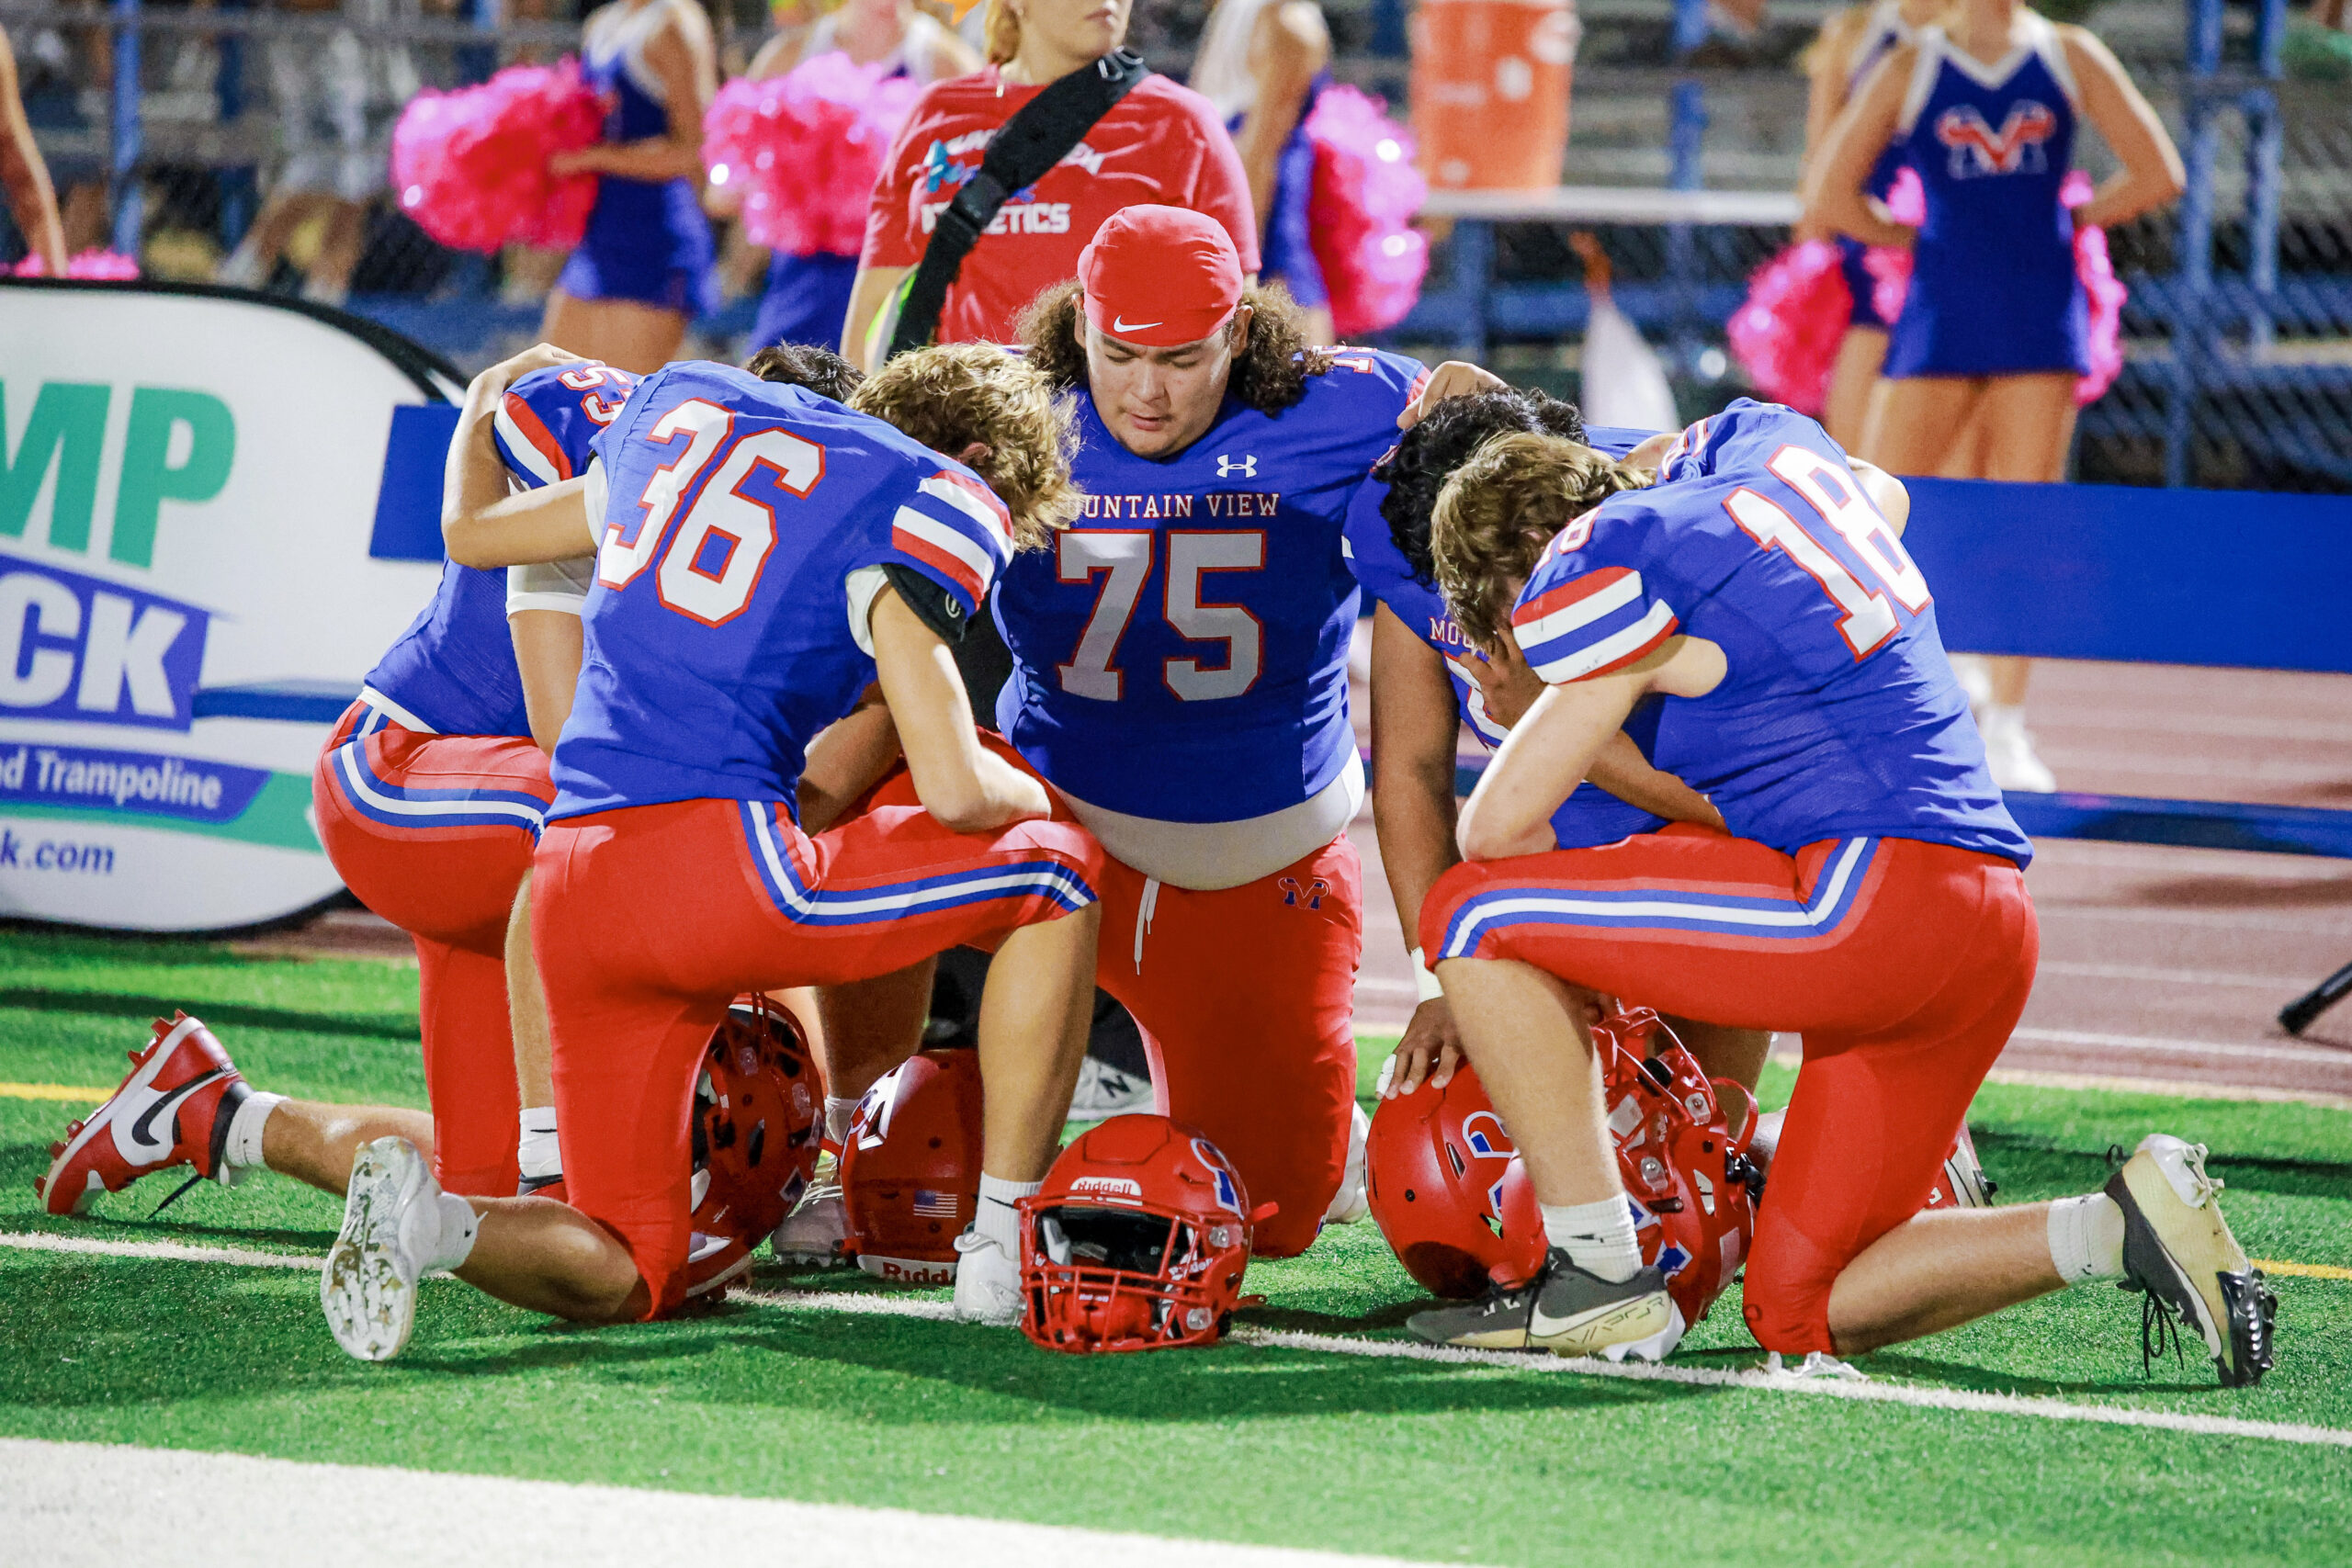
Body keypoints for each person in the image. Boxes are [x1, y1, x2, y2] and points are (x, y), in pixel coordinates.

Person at [1404, 400, 2275, 1390]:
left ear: (1535, 550)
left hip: (1869, 901)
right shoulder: (1766, 470)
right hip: (1985, 918)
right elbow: (1880, 494)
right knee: (1799, 1310)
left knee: (1469, 912)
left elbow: (1491, 834)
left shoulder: (1620, 569)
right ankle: (2114, 1224)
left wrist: (1537, 715)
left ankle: (1598, 1277)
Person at [315, 341, 1104, 1361]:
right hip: (717, 871)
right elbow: (954, 790)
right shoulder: (921, 494)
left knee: (631, 1265)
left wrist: (478, 397)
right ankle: (1002, 1249)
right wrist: (1030, 790)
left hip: (574, 884)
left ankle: (438, 1223)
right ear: (981, 458)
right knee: (1058, 870)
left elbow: (471, 534)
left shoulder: (680, 414)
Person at [972, 204, 1493, 1256]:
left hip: (1252, 856)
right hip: (1041, 826)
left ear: (1241, 337)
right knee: (859, 822)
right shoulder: (1003, 405)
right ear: (1079, 323)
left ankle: (1308, 1127)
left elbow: (1499, 433)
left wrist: (1478, 406)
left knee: (1271, 1215)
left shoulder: (1350, 409)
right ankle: (850, 1123)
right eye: (1120, 354)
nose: (1146, 390)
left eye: (1179, 358)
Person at [1342, 389, 1771, 1105]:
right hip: (1549, 863)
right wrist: (1445, 977)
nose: (1485, 618)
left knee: (1695, 1150)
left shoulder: (1677, 522)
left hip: (1716, 868)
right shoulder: (1405, 528)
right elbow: (1411, 771)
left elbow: (1750, 818)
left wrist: (1553, 720)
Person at [1804, 0, 2183, 792]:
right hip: (1941, 315)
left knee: (2025, 518)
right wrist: (1919, 238)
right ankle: (1870, 714)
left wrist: (2071, 217)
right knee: (1870, 515)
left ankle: (2005, 730)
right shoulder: (1914, 64)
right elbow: (1830, 194)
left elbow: (2160, 173)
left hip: (2038, 321)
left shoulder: (2069, 55)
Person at [843, 0, 1258, 366]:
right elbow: (871, 307)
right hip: (957, 425)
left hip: (1101, 432)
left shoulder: (1180, 122)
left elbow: (1233, 311)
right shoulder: (936, 111)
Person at [740, 0, 979, 355]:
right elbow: (729, 185)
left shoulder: (946, 64)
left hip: (902, 278)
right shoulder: (791, 55)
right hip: (803, 278)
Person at [541, 0, 719, 373]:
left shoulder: (672, 24)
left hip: (654, 241)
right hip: (599, 235)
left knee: (619, 403)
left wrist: (593, 158)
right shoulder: (605, 21)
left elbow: (695, 149)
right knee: (547, 389)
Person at [1796, 0, 1942, 448]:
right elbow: (1820, 153)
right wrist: (1810, 260)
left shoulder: (1971, 32)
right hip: (1867, 249)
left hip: (1949, 243)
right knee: (1852, 432)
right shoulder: (1853, 34)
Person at [1188, 0, 1334, 344]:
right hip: (1253, 212)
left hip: (1264, 211)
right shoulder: (1273, 22)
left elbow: (1256, 155)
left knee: (1296, 366)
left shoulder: (1275, 21)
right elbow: (1252, 157)